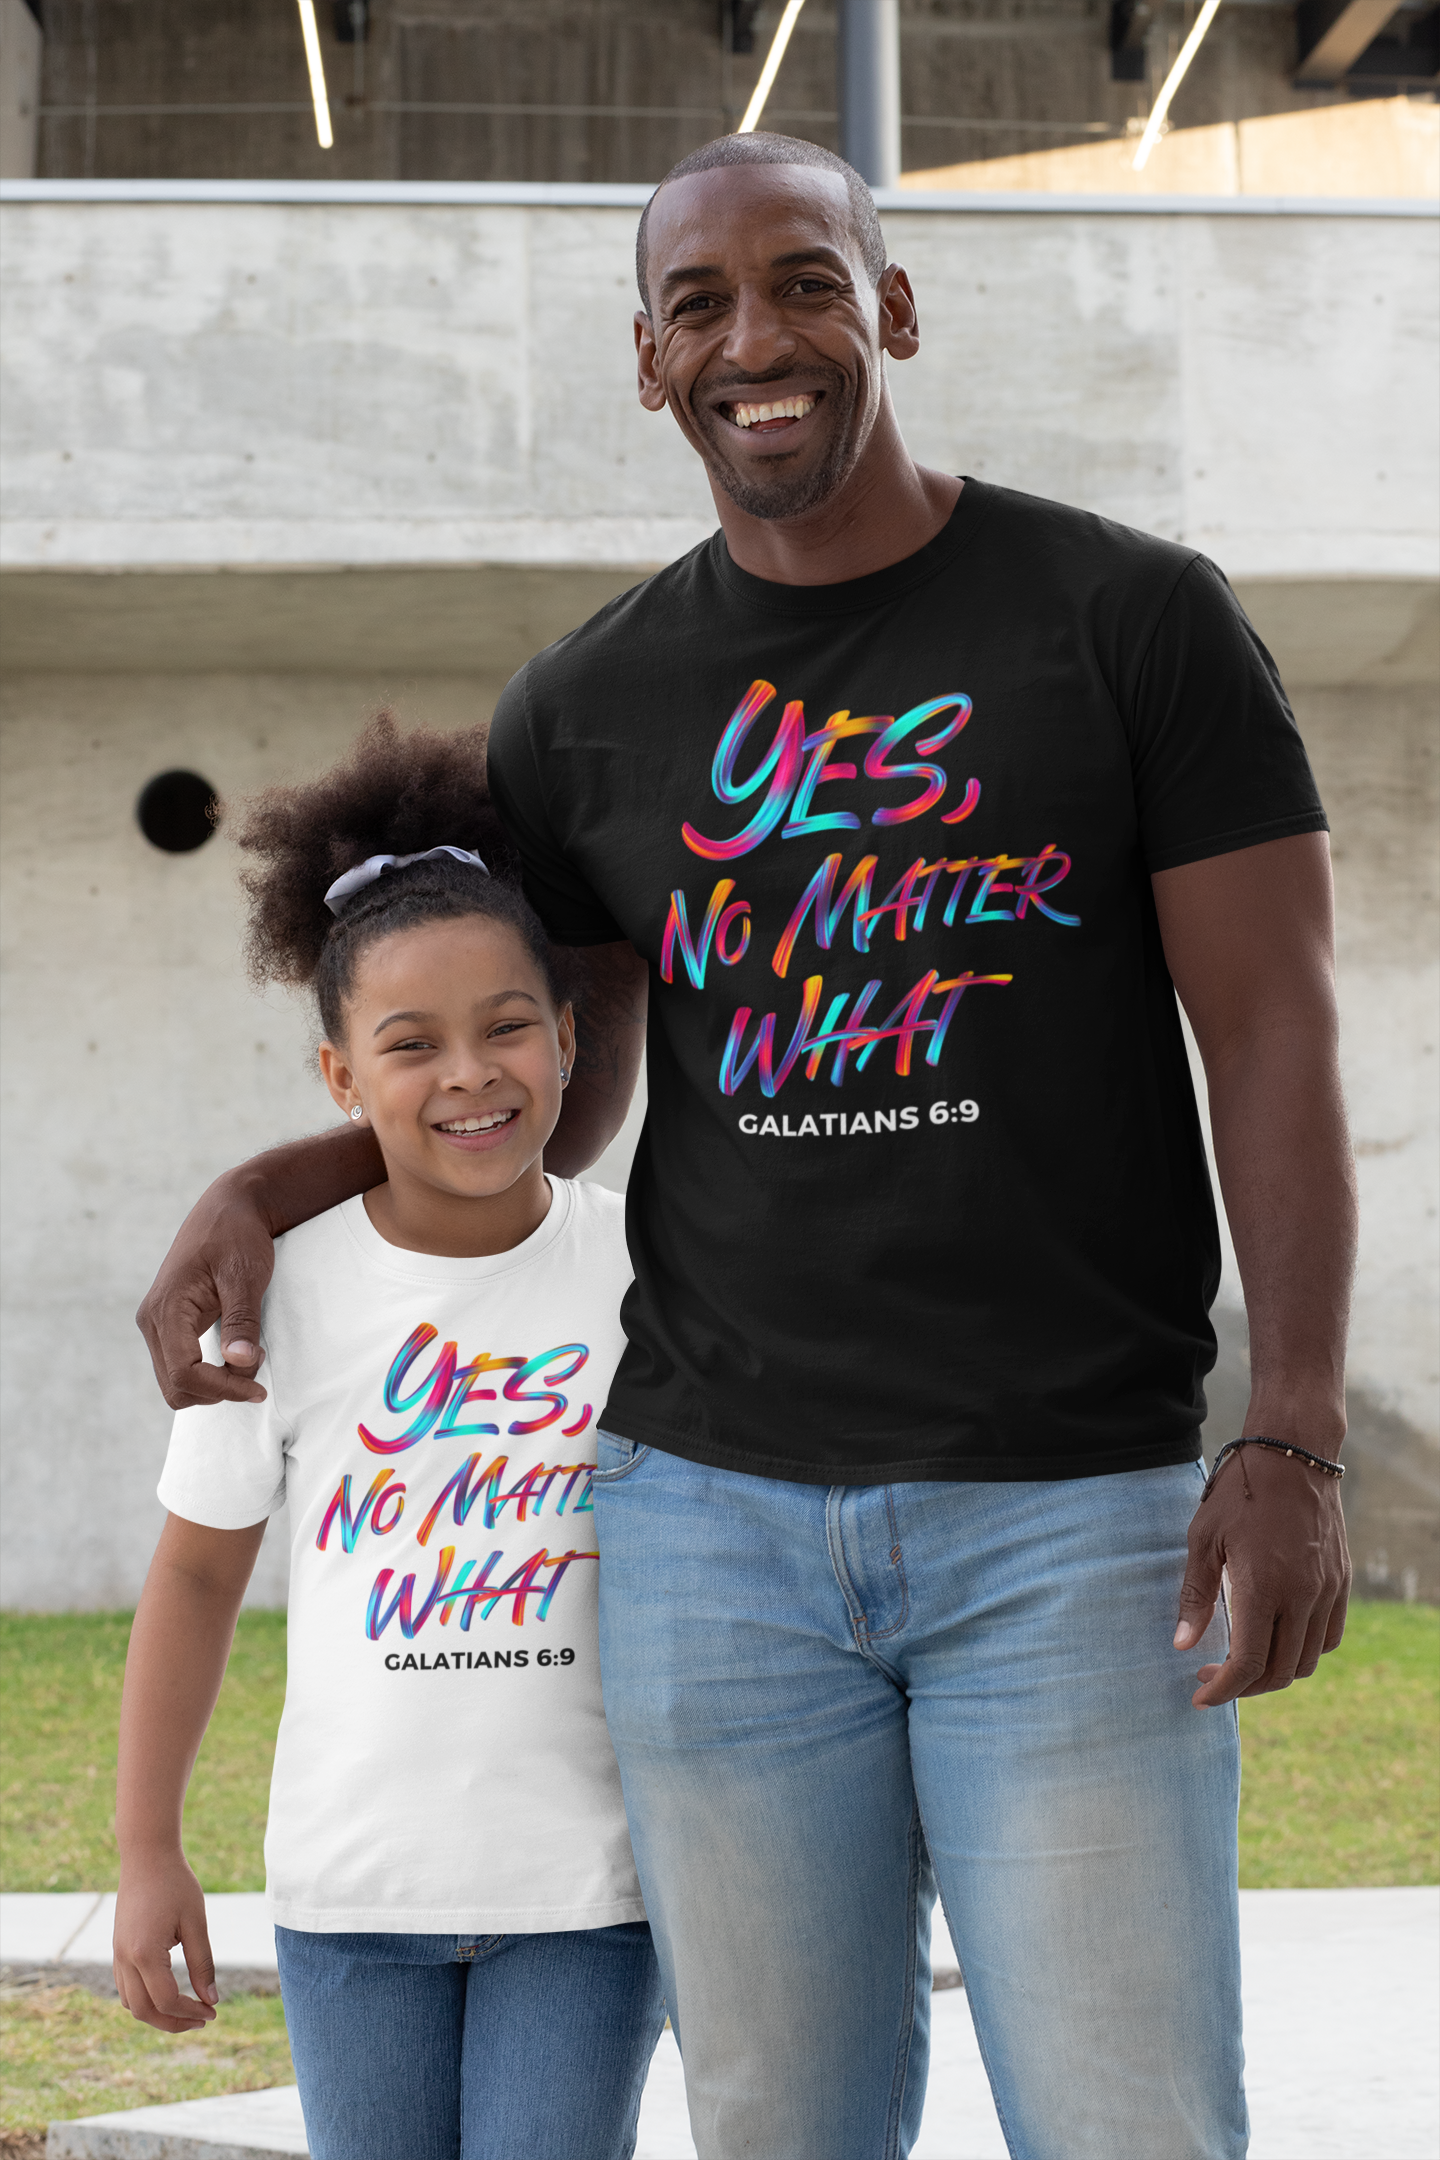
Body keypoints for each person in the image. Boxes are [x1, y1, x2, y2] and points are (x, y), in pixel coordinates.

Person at [137, 137, 1355, 2160]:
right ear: (646, 363)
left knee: (1129, 2119)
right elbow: (551, 1097)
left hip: (1065, 1515)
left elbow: (1276, 1040)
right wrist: (264, 1190)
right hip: (713, 1537)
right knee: (781, 2130)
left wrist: (1293, 1429)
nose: (756, 340)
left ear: (891, 305)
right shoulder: (589, 707)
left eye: (804, 281)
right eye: (699, 306)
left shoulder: (1132, 622)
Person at [114, 718, 666, 2160]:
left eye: (506, 1028)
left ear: (567, 1038)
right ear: (342, 1080)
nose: (469, 1076)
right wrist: (146, 1849)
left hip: (588, 1899)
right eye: (408, 1045)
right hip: (354, 1903)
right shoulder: (277, 1292)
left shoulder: (652, 1283)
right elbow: (191, 1579)